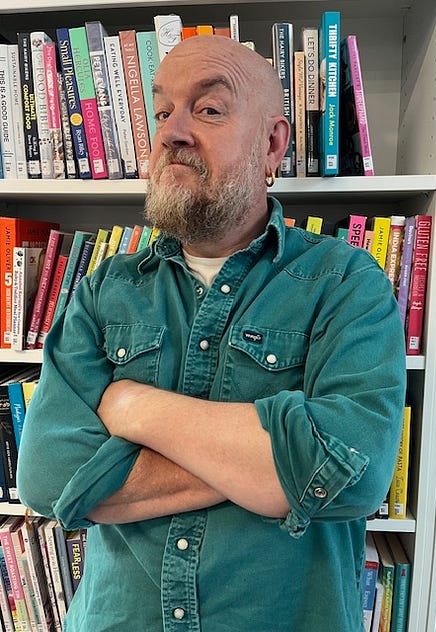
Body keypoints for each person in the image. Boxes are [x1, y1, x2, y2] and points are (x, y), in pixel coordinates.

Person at [17, 34, 406, 632]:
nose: (171, 132)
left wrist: (135, 407)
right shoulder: (103, 291)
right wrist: (271, 466)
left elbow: (354, 475)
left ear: (272, 144)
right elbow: (48, 477)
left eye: (209, 109)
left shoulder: (345, 283)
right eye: (162, 110)